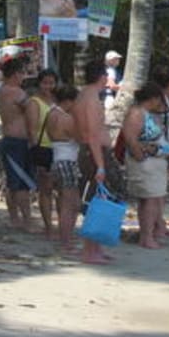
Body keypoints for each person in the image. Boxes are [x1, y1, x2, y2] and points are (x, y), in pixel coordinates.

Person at [122, 70, 169, 250]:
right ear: (153, 98)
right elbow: (130, 138)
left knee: (151, 199)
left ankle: (148, 233)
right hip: (146, 164)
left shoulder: (142, 113)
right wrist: (143, 153)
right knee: (149, 200)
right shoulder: (137, 113)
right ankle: (146, 236)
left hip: (153, 163)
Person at [74, 60, 110, 265]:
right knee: (95, 203)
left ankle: (96, 248)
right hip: (92, 153)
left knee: (98, 201)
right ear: (101, 77)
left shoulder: (84, 95)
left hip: (89, 151)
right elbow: (93, 134)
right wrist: (101, 165)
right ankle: (90, 251)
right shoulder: (91, 99)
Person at [0, 58, 34, 230]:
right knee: (20, 183)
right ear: (16, 74)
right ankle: (26, 220)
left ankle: (15, 218)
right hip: (16, 141)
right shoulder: (15, 92)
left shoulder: (2, 90)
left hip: (11, 140)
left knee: (13, 183)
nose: (24, 77)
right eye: (22, 73)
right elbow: (32, 109)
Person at [45, 84, 80, 252]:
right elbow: (80, 137)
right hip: (68, 159)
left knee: (64, 200)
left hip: (56, 157)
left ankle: (64, 236)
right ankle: (66, 240)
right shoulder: (66, 118)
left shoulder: (51, 114)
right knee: (70, 203)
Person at [25, 68, 59, 238]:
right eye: (45, 83)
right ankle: (48, 226)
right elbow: (32, 130)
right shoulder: (34, 102)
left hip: (59, 147)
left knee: (60, 189)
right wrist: (35, 150)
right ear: (39, 84)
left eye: (51, 83)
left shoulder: (58, 101)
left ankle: (60, 224)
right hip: (43, 147)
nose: (49, 86)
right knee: (45, 189)